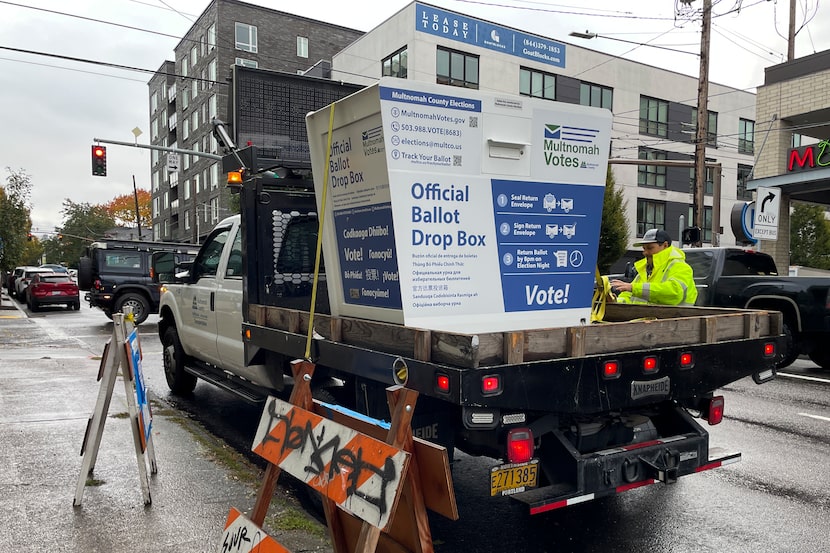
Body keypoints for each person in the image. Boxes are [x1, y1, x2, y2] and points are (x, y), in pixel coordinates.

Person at [610, 228, 698, 306]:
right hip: (647, 321)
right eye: (644, 249)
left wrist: (633, 287)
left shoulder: (680, 267)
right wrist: (615, 301)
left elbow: (674, 292)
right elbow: (628, 296)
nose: (645, 252)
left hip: (673, 322)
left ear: (665, 245)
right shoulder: (645, 271)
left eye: (650, 248)